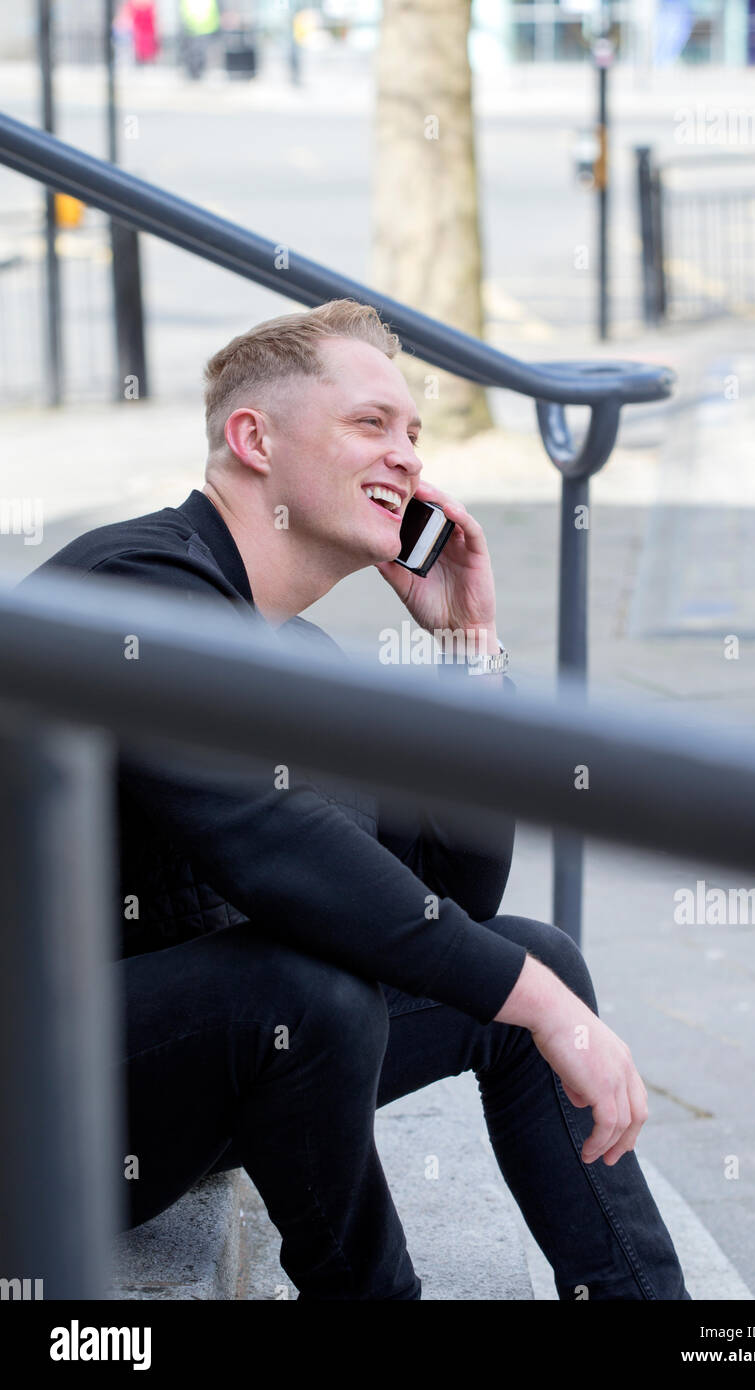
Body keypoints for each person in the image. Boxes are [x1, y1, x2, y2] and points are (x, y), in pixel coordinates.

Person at [22, 299, 690, 1301]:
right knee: (306, 992)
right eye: (371, 424)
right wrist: (551, 1010)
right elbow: (276, 848)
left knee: (526, 958)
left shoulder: (286, 648)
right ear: (252, 439)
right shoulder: (138, 591)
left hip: (151, 1082)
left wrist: (468, 652)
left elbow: (438, 893)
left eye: (415, 433)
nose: (409, 459)